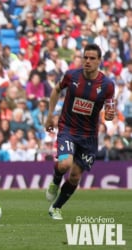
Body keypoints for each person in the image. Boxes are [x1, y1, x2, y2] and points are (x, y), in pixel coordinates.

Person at [44, 44, 115, 220]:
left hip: (89, 136)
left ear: (99, 61)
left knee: (75, 176)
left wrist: (111, 114)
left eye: (92, 58)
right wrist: (50, 115)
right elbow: (56, 90)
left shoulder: (107, 85)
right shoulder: (71, 75)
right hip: (68, 128)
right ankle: (55, 180)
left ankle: (56, 207)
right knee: (65, 164)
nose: (88, 61)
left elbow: (110, 110)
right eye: (85, 57)